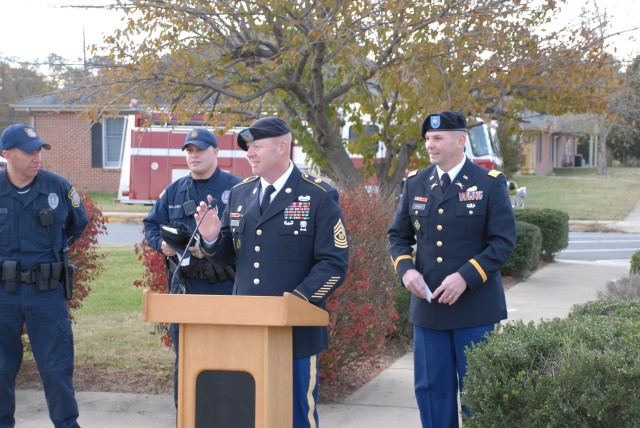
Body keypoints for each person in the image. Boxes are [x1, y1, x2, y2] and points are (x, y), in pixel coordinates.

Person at [194, 117, 349, 428]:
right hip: (246, 329)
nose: (250, 153)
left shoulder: (317, 195)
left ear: (282, 147)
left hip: (294, 332)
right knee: (247, 413)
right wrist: (211, 237)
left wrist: (295, 302)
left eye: (257, 147)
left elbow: (333, 263)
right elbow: (228, 256)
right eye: (248, 148)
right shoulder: (240, 194)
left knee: (295, 416)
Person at [387, 111, 516, 427]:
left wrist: (465, 277)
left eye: (438, 138)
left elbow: (502, 242)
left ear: (460, 140)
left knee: (477, 393)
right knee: (432, 391)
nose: (430, 145)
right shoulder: (416, 182)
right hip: (429, 308)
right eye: (428, 139)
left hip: (475, 308)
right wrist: (406, 271)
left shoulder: (488, 183)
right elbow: (397, 236)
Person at [143, 127, 241, 407]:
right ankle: (185, 416)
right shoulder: (174, 191)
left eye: (200, 150)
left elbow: (251, 235)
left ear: (216, 152)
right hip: (184, 286)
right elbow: (151, 225)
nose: (194, 156)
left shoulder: (236, 189)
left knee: (225, 357)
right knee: (186, 358)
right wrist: (161, 244)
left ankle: (225, 417)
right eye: (189, 151)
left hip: (224, 286)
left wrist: (211, 247)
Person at [0, 124, 88, 428]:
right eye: (29, 151)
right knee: (0, 369)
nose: (37, 157)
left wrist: (53, 253)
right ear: (7, 155)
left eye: (39, 150)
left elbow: (78, 224)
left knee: (56, 368)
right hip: (3, 294)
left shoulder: (58, 187)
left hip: (46, 292)